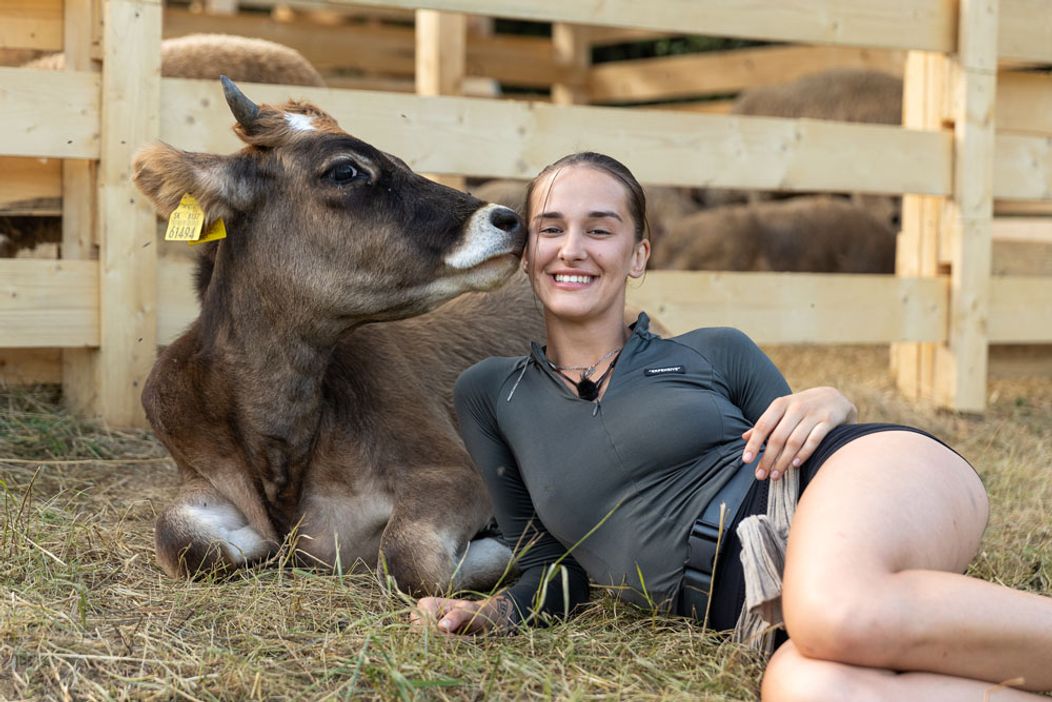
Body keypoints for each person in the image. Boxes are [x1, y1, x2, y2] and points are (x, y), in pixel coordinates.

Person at [412, 152, 1052, 700]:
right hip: (755, 612)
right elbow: (555, 567)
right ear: (529, 256)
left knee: (835, 610)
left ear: (638, 257)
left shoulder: (711, 350)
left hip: (857, 491)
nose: (572, 249)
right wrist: (494, 612)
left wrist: (828, 401)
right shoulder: (492, 393)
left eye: (599, 231)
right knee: (808, 687)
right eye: (551, 228)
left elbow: (803, 450)